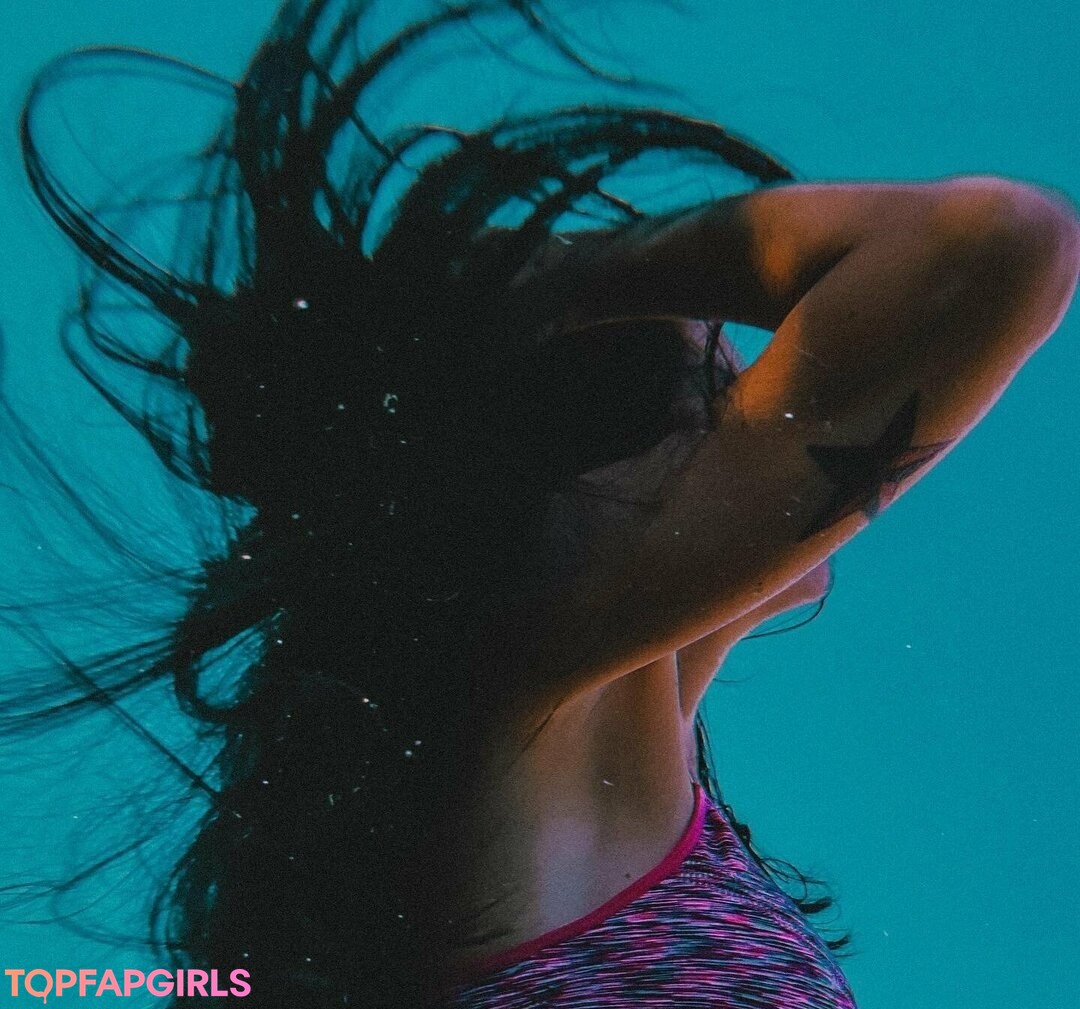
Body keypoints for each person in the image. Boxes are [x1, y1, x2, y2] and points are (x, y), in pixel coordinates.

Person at [3, 1, 1077, 1007]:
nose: (760, 399)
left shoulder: (615, 718)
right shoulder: (522, 666)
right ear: (574, 486)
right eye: (719, 378)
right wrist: (561, 278)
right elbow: (996, 247)